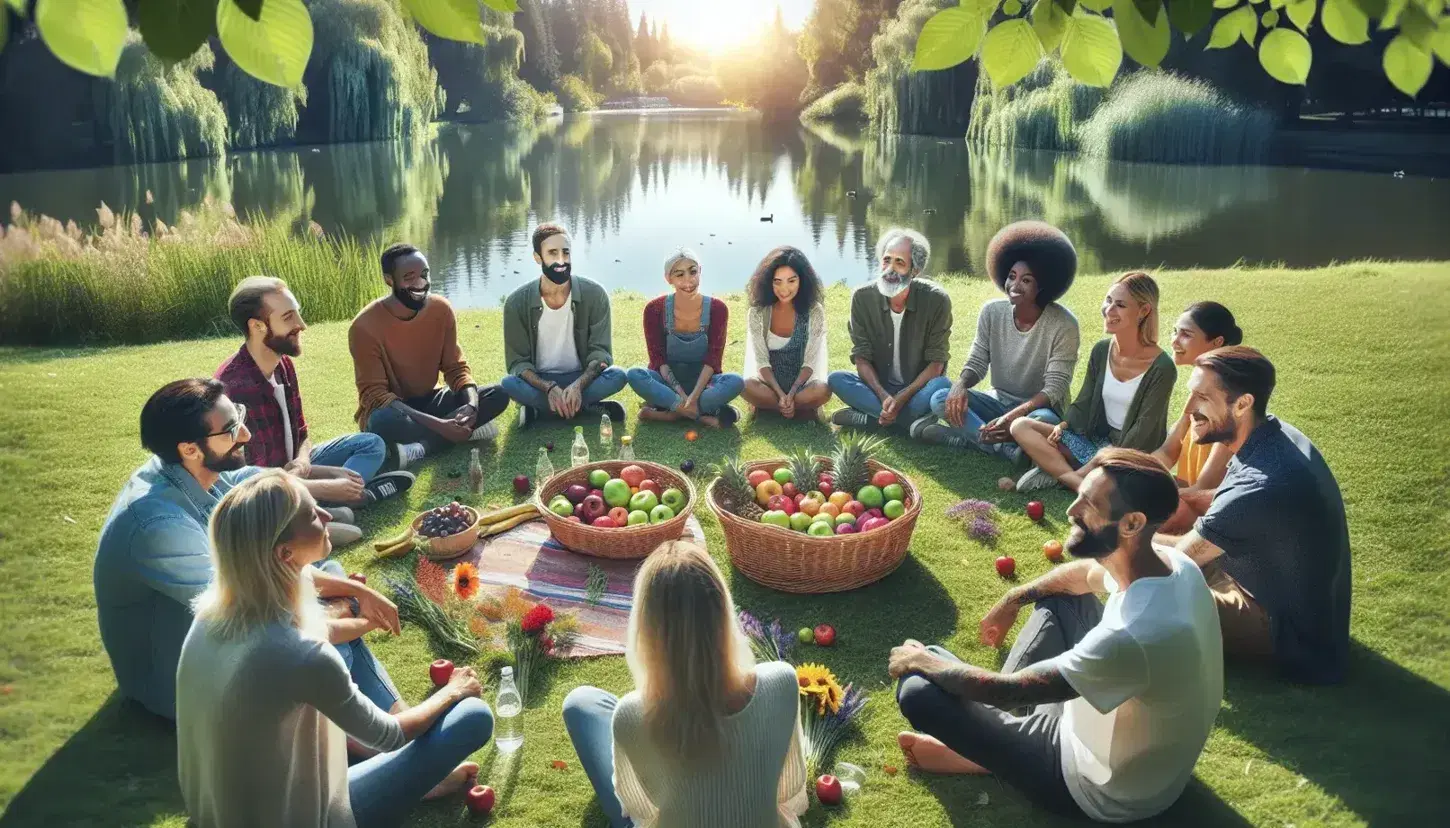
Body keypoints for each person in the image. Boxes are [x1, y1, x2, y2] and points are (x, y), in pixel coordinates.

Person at [892, 449, 1222, 823]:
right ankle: (996, 740)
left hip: (1098, 789)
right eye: (1080, 493)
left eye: (1090, 503)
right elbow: (1084, 576)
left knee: (919, 686)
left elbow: (1011, 690)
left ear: (1132, 523)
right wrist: (1013, 597)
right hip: (1129, 748)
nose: (1071, 509)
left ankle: (981, 754)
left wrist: (921, 661)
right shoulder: (1175, 565)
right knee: (1062, 598)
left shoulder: (1135, 634)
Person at [177, 470, 494, 828]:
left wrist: (362, 594)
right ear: (285, 553)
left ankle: (402, 768)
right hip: (297, 818)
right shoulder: (301, 654)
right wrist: (452, 692)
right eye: (313, 515)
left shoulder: (213, 614)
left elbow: (309, 591)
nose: (328, 515)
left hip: (216, 813)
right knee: (473, 719)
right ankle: (423, 778)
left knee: (345, 638)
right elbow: (388, 735)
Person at [94, 379, 400, 720]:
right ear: (189, 448)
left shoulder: (194, 467)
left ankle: (394, 726)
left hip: (222, 632)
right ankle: (387, 734)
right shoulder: (158, 526)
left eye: (238, 417)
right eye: (230, 429)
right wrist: (342, 609)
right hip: (178, 680)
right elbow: (252, 612)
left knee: (326, 576)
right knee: (319, 640)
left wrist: (352, 591)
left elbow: (265, 482)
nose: (245, 436)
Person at [561, 541, 807, 828]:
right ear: (723, 609)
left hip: (644, 736)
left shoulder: (631, 716)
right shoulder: (781, 683)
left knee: (581, 704)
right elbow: (789, 791)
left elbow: (639, 810)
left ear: (647, 628)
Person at [1160, 347, 1351, 684]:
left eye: (1203, 397)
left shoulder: (1260, 484)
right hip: (1285, 598)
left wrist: (1118, 540)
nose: (1191, 409)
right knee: (1143, 542)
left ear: (1243, 403)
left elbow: (1176, 561)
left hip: (1284, 633)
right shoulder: (1274, 436)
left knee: (1147, 582)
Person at [216, 276, 414, 547]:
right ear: (258, 326)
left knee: (371, 444)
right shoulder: (235, 389)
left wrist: (304, 464)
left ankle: (324, 507)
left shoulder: (283, 364)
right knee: (336, 512)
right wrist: (325, 484)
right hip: (264, 492)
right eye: (288, 317)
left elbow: (302, 433)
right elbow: (253, 483)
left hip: (292, 471)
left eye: (298, 313)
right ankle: (349, 500)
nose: (302, 324)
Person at [918, 221, 1081, 462]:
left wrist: (1013, 417)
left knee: (1046, 421)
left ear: (1042, 286)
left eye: (1026, 280)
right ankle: (1005, 449)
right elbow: (978, 360)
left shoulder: (1064, 324)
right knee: (941, 398)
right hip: (997, 401)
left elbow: (1054, 389)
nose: (1014, 286)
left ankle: (967, 438)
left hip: (1036, 412)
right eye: (1012, 276)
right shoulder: (992, 312)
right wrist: (961, 384)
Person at [1011, 272, 1176, 492]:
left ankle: (1063, 474)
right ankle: (1080, 483)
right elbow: (1085, 401)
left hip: (1128, 458)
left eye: (1120, 305)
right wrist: (1063, 426)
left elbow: (1143, 431)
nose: (1109, 310)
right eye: (1108, 300)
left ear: (1144, 311)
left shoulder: (1162, 367)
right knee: (1020, 425)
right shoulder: (1101, 351)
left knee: (1114, 470)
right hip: (1095, 443)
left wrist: (1097, 460)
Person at [350, 243, 509, 470]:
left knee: (499, 394)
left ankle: (420, 448)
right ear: (389, 280)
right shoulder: (364, 326)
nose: (420, 283)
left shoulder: (440, 309)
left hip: (432, 400)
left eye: (424, 274)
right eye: (409, 277)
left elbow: (456, 368)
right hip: (396, 410)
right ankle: (462, 432)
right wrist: (440, 425)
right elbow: (374, 395)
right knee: (381, 422)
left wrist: (472, 406)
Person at [501, 222, 628, 426]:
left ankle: (541, 411)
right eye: (552, 253)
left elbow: (601, 354)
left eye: (565, 252)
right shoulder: (516, 303)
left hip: (582, 378)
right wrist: (549, 388)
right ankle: (585, 407)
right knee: (508, 384)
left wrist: (578, 385)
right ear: (537, 257)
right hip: (539, 381)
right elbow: (518, 363)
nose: (561, 260)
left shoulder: (595, 294)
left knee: (619, 376)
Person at [828, 228, 953, 433]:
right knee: (836, 379)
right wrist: (883, 395)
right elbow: (862, 358)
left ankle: (871, 419)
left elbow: (937, 364)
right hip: (879, 389)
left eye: (900, 262)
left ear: (915, 270)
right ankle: (908, 423)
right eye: (887, 260)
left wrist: (902, 397)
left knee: (941, 384)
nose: (890, 269)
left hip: (916, 391)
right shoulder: (862, 297)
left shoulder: (937, 300)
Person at [1151, 302, 1244, 533]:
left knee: (1133, 527)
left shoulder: (1229, 398)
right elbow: (1168, 450)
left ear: (1217, 343)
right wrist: (1137, 472)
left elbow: (1205, 488)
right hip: (1187, 493)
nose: (1174, 340)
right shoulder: (1200, 385)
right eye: (1175, 331)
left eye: (1185, 334)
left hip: (1212, 509)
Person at [626, 248, 744, 428]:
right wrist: (681, 397)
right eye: (679, 274)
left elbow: (713, 360)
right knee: (634, 374)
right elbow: (658, 361)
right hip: (667, 382)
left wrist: (694, 396)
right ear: (668, 278)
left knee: (736, 381)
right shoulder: (655, 309)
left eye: (693, 271)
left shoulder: (717, 308)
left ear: (700, 271)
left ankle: (669, 413)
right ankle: (700, 415)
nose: (688, 280)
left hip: (704, 384)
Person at [739, 246, 832, 420]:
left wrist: (793, 392)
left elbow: (810, 362)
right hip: (770, 385)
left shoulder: (814, 311)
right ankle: (790, 407)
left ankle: (777, 407)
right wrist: (781, 394)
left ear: (802, 281)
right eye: (777, 281)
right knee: (744, 385)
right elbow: (761, 361)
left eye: (791, 281)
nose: (784, 289)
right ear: (768, 282)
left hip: (802, 386)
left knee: (823, 390)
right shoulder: (758, 313)